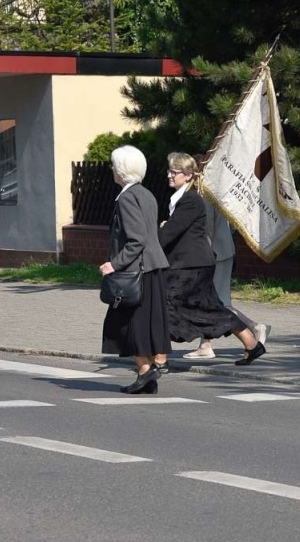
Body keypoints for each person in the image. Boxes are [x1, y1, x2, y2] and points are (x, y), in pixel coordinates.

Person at [160, 152, 265, 366]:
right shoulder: (183, 198)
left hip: (192, 265)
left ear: (188, 175)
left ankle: (159, 359)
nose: (169, 175)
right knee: (211, 308)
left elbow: (172, 232)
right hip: (192, 264)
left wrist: (153, 237)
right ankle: (252, 344)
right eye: (169, 171)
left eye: (174, 172)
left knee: (165, 303)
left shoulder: (191, 199)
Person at [100, 146, 173, 393]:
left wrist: (114, 264)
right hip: (152, 269)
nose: (112, 169)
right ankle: (147, 378)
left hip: (135, 271)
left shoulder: (127, 198)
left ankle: (145, 369)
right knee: (145, 323)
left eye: (113, 165)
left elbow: (136, 239)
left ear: (121, 169)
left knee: (126, 323)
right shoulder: (146, 194)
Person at [188, 153, 272, 359]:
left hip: (214, 253)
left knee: (214, 302)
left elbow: (207, 227)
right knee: (215, 300)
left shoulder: (204, 192)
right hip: (223, 250)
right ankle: (249, 329)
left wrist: (203, 254)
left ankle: (211, 344)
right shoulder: (216, 189)